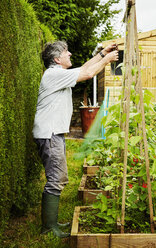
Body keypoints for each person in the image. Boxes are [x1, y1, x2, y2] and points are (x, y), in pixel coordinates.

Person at [33, 41, 118, 238]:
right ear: (57, 59)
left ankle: (51, 223)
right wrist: (106, 60)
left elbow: (84, 69)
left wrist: (101, 54)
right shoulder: (54, 74)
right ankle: (48, 228)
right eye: (66, 52)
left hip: (52, 132)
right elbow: (88, 74)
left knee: (59, 177)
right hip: (50, 133)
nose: (70, 53)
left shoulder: (57, 74)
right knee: (56, 179)